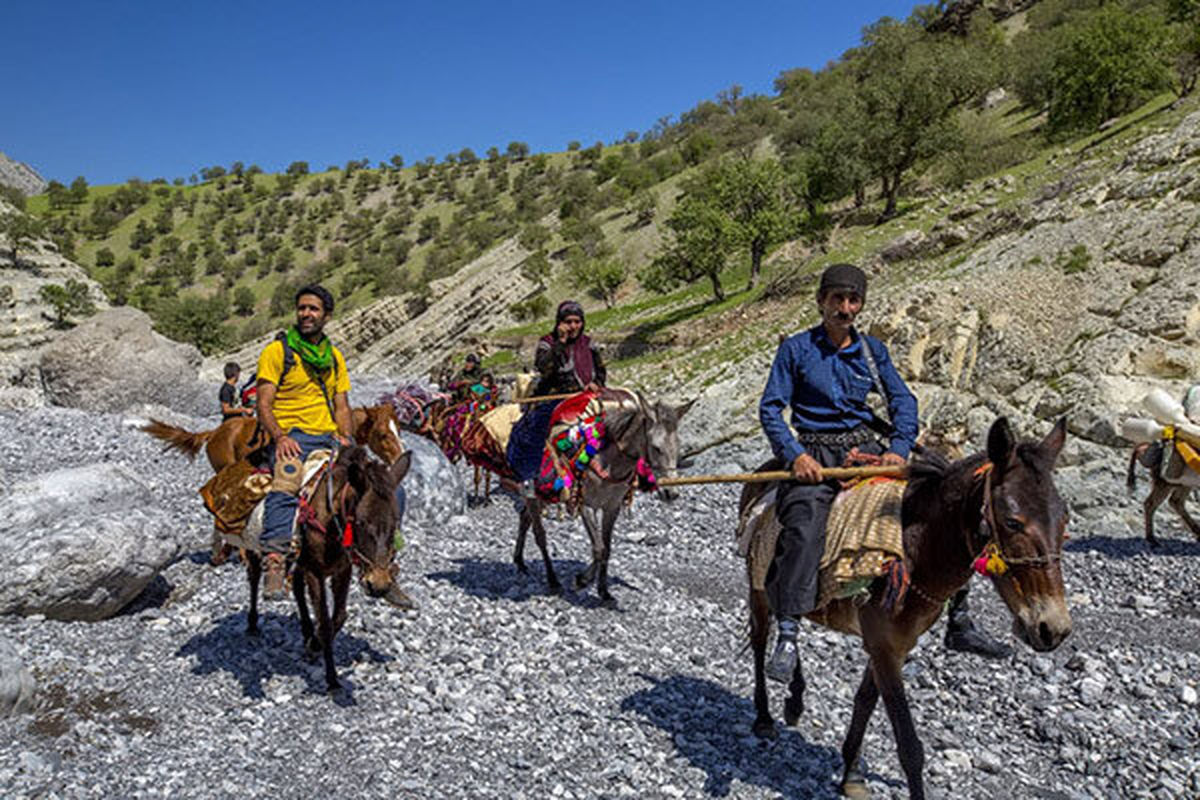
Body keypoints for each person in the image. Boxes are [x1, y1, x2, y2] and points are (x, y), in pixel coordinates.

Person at [759, 264, 1005, 683]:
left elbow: (903, 402)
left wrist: (897, 449)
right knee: (803, 522)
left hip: (869, 452)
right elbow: (771, 409)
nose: (845, 308)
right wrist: (796, 455)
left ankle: (959, 618)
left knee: (945, 505)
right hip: (816, 452)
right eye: (837, 299)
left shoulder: (873, 351)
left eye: (853, 300)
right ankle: (787, 631)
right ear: (821, 301)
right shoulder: (796, 351)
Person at [256, 284, 353, 598]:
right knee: (286, 481)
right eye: (302, 308)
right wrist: (280, 437)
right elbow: (264, 403)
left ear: (327, 315)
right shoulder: (278, 352)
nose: (306, 314)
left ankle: (382, 560)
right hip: (293, 436)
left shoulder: (334, 357)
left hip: (328, 436)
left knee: (374, 484)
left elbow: (341, 405)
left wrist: (347, 439)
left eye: (313, 309)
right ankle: (274, 559)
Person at [506, 300, 606, 486]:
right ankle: (531, 478)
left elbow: (601, 371)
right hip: (556, 397)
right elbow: (544, 368)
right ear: (560, 322)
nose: (573, 326)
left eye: (577, 321)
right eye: (569, 321)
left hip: (586, 397)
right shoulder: (548, 342)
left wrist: (596, 383)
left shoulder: (589, 343)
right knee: (535, 431)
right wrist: (560, 343)